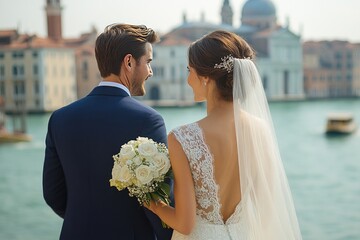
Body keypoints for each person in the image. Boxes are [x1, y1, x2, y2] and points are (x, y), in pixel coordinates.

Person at [145, 30, 302, 240]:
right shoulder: (260, 129)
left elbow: (185, 223)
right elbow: (266, 208)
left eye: (189, 70)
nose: (188, 79)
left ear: (206, 78)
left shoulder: (183, 137)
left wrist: (151, 202)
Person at [42, 23, 173, 240]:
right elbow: (161, 200)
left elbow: (53, 194)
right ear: (129, 62)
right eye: (148, 62)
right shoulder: (148, 120)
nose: (150, 71)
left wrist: (85, 219)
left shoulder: (60, 118)